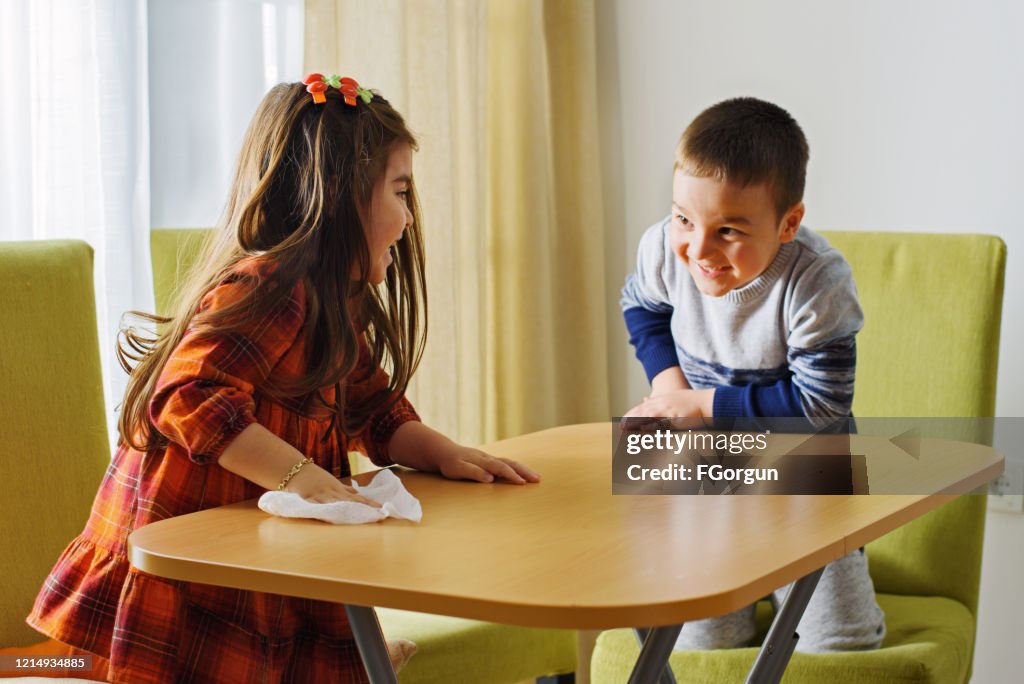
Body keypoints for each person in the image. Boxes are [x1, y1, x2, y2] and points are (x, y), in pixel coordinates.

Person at [26, 73, 539, 683]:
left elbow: (374, 410)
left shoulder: (330, 300)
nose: (407, 219)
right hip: (190, 581)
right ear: (343, 194)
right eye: (400, 192)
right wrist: (304, 477)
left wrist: (447, 453)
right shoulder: (273, 286)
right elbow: (185, 394)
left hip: (254, 574)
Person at [619, 97, 885, 652]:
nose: (698, 248)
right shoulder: (664, 251)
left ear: (789, 223)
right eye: (684, 219)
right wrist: (670, 387)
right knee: (703, 644)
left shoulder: (817, 282)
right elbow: (641, 306)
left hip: (811, 491)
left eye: (729, 231)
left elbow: (821, 405)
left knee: (839, 646)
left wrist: (703, 405)